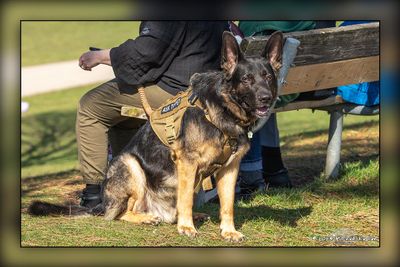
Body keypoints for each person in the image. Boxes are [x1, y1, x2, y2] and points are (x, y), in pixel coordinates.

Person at [76, 21, 229, 208]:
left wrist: (100, 56)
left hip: (178, 92)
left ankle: (93, 194)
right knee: (122, 118)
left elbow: (147, 51)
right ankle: (131, 184)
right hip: (206, 88)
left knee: (91, 106)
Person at [235, 21, 336, 198]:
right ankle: (275, 170)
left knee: (250, 97)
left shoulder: (257, 18)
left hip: (280, 91)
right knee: (261, 99)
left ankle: (251, 175)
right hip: (317, 87)